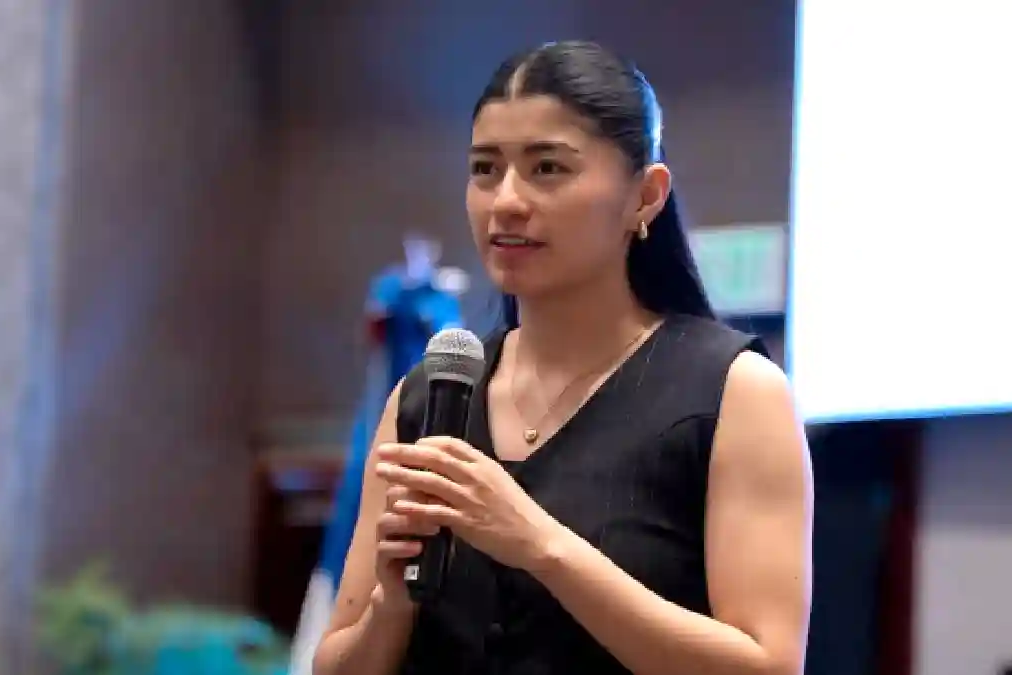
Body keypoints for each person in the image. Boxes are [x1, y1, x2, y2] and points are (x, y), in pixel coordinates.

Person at [312, 40, 813, 675]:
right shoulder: (428, 396)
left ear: (645, 195)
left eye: (547, 168)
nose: (505, 201)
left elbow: (769, 666)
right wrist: (392, 605)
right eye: (485, 169)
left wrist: (541, 545)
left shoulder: (734, 392)